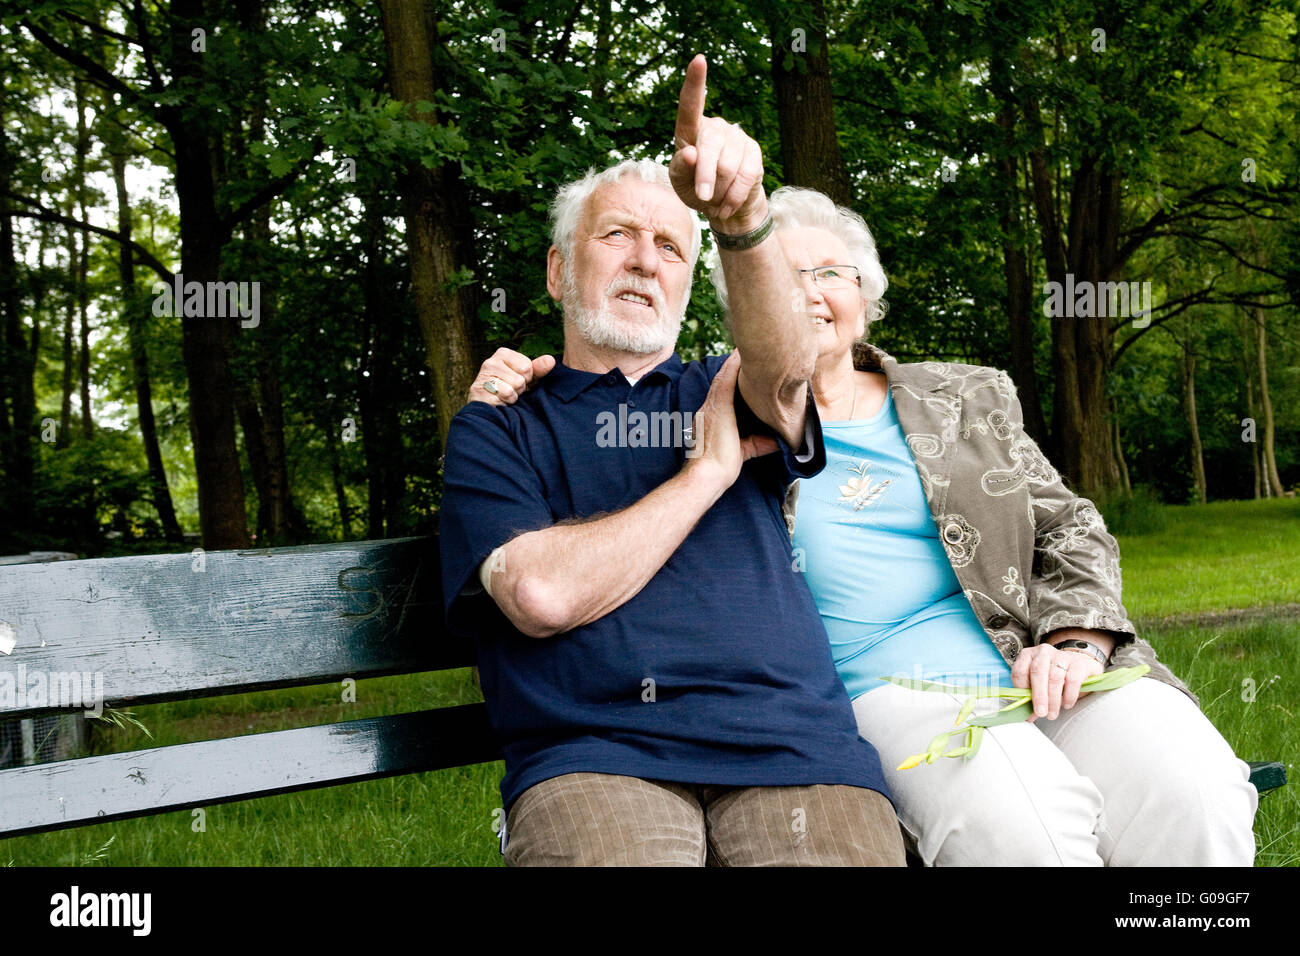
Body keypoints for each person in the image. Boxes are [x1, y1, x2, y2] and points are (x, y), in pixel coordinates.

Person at [472, 184, 1260, 866]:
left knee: (1198, 794)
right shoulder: (726, 411)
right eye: (781, 277)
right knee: (1031, 835)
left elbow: (1071, 525)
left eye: (830, 274)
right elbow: (612, 397)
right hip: (890, 696)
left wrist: (1077, 639)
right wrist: (531, 374)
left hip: (1041, 664)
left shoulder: (964, 397)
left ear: (867, 293)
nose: (807, 293)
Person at [441, 57, 903, 867]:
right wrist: (703, 479)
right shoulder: (501, 425)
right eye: (616, 234)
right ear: (559, 270)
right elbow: (540, 592)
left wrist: (741, 217)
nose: (645, 260)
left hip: (795, 751)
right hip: (595, 757)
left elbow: (787, 367)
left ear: (692, 282)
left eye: (670, 247)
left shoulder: (725, 387)